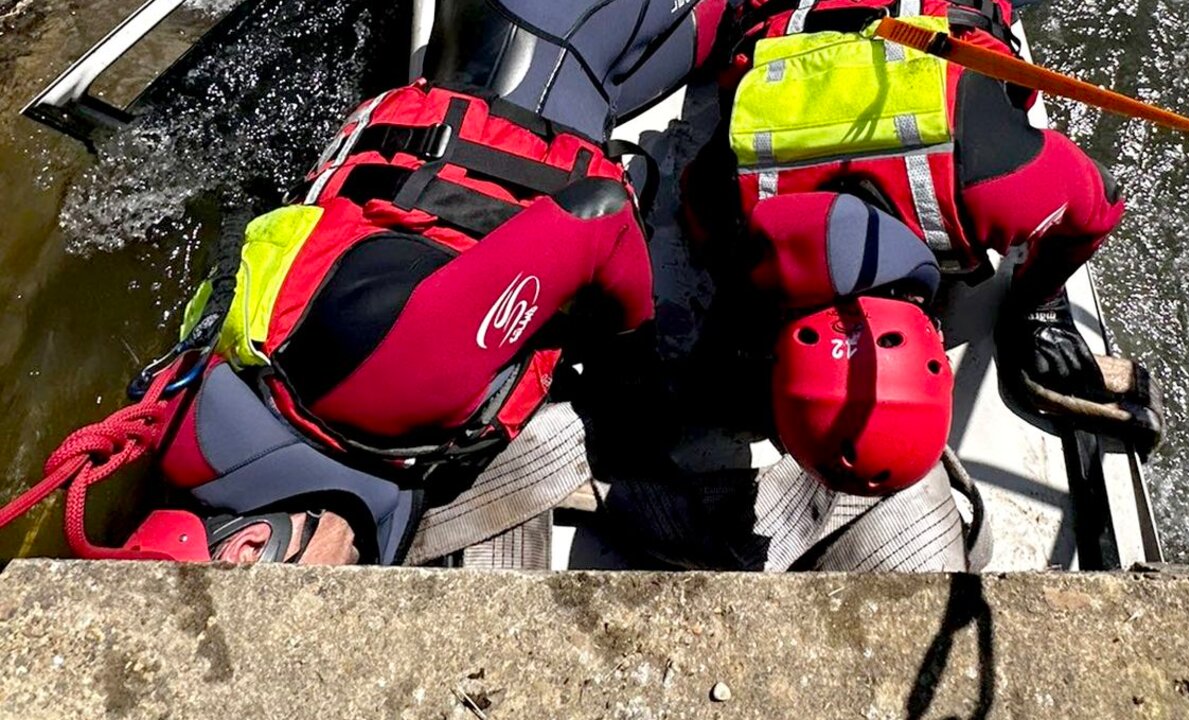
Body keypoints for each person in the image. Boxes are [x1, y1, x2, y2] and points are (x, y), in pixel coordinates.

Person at [0, 0, 744, 566]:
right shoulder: (211, 427)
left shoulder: (393, 389)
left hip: (550, 37)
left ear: (248, 548)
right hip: (529, 64)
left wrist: (634, 345)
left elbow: (598, 215)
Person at [684, 0, 1162, 467]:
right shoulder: (730, 209)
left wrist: (1039, 304)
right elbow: (1098, 203)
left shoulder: (994, 185)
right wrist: (1034, 306)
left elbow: (1101, 202)